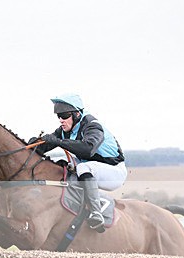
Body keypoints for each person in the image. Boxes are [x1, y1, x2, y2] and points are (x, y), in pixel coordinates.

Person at [36, 94, 126, 231]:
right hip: (93, 169)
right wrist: (33, 144)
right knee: (62, 164)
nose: (61, 120)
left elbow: (88, 149)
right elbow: (44, 146)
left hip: (114, 172)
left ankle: (96, 213)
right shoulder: (65, 130)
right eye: (59, 116)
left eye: (64, 115)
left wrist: (59, 142)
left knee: (83, 167)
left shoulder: (93, 126)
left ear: (77, 114)